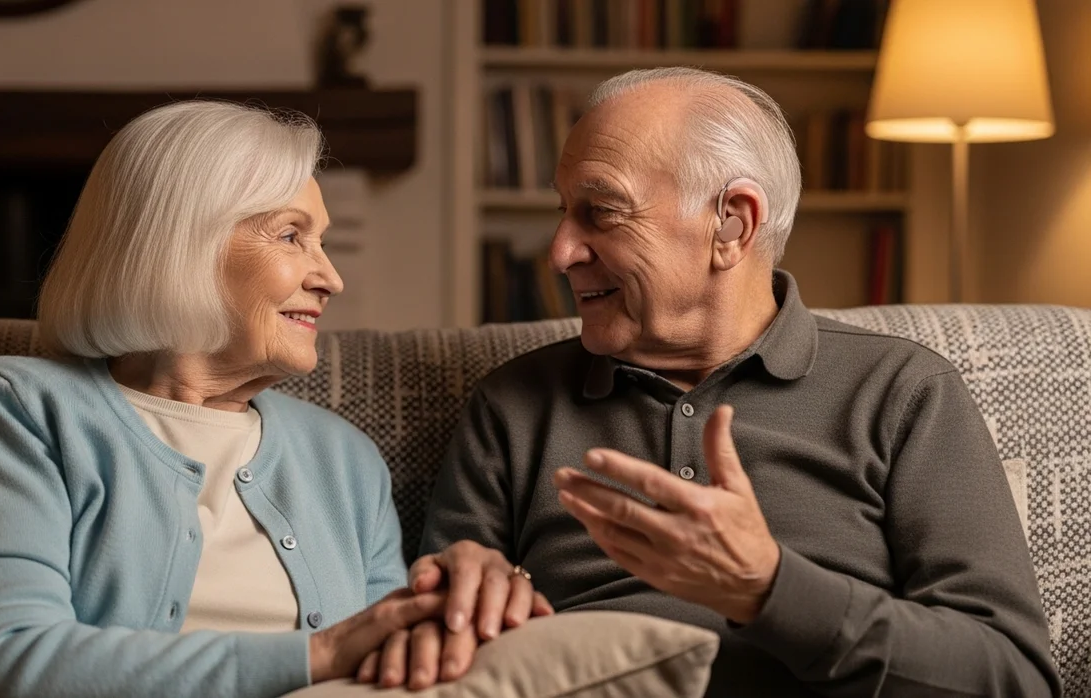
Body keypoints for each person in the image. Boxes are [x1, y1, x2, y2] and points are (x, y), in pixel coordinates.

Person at [0, 100, 548, 698]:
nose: (330, 278)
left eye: (323, 242)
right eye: (292, 236)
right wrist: (321, 655)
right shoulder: (21, 409)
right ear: (184, 244)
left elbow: (387, 670)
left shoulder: (344, 460)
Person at [417, 67, 1061, 697]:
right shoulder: (512, 404)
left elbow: (1013, 676)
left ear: (732, 223)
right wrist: (450, 604)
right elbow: (428, 642)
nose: (560, 252)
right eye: (564, 212)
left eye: (602, 212)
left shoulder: (901, 392)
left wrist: (769, 588)